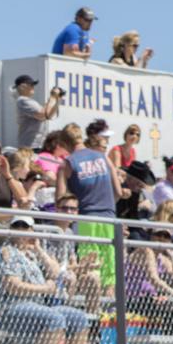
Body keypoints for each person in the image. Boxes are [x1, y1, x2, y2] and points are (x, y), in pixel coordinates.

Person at [0, 215, 89, 344]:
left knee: (79, 318)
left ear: (32, 231)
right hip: (5, 310)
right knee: (54, 318)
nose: (21, 231)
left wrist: (39, 249)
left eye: (25, 227)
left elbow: (57, 274)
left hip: (35, 307)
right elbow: (13, 286)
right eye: (16, 227)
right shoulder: (6, 252)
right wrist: (44, 288)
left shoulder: (33, 255)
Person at [55, 123, 123, 289]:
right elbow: (119, 192)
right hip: (109, 218)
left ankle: (92, 311)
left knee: (90, 267)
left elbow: (60, 199)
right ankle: (108, 313)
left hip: (85, 219)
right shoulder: (102, 156)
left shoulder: (68, 163)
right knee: (110, 271)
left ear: (64, 144)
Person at [14, 75, 62, 151]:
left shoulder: (30, 101)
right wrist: (52, 98)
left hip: (37, 145)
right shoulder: (23, 100)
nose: (33, 87)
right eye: (31, 84)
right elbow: (43, 114)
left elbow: (48, 115)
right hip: (29, 147)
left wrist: (57, 100)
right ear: (22, 86)